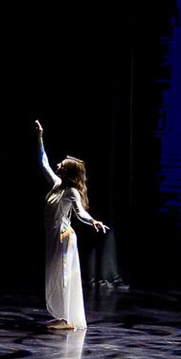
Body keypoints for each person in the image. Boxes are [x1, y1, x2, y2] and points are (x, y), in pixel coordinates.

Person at [34, 121, 108, 330]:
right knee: (55, 276)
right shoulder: (58, 185)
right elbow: (44, 163)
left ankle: (67, 320)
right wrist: (40, 137)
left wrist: (93, 221)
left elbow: (80, 212)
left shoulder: (71, 192)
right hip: (53, 235)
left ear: (68, 172)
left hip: (64, 236)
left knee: (64, 276)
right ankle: (61, 316)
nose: (58, 165)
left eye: (62, 165)